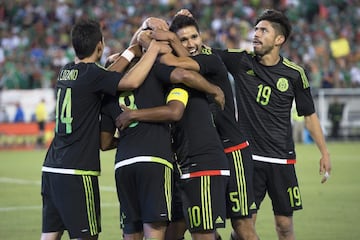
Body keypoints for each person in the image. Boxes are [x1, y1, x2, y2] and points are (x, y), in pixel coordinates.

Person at [40, 18, 171, 240]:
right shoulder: (94, 76)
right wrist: (152, 49)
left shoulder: (66, 72)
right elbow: (129, 82)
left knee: (50, 236)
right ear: (100, 46)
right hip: (77, 171)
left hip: (51, 168)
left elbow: (110, 73)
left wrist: (131, 49)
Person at [100, 20, 225, 240]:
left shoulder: (108, 92)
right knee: (162, 232)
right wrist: (215, 90)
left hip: (124, 164)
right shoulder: (157, 73)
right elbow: (179, 94)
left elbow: (103, 142)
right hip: (157, 160)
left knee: (136, 232)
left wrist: (129, 135)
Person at [213, 9, 332, 240]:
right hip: (248, 159)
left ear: (279, 39)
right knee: (243, 226)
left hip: (282, 159)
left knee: (284, 225)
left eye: (263, 30)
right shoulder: (241, 61)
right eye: (256, 29)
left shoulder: (295, 74)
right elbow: (205, 53)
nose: (256, 34)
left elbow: (309, 115)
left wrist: (324, 152)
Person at [150, 12, 259, 240]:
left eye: (194, 37)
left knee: (242, 226)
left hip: (232, 150)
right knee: (193, 226)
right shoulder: (189, 66)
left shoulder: (209, 60)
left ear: (202, 37)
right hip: (202, 155)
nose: (191, 43)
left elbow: (175, 62)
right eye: (184, 39)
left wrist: (168, 39)